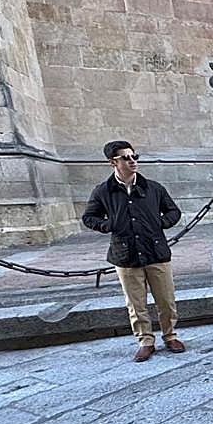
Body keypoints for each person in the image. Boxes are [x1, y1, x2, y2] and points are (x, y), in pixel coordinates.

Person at [82, 141, 185, 362]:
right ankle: (145, 341)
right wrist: (109, 226)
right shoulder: (103, 191)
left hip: (155, 252)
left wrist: (161, 223)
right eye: (126, 158)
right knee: (136, 303)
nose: (132, 161)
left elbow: (173, 210)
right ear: (113, 162)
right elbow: (89, 217)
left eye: (134, 156)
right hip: (125, 255)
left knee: (166, 300)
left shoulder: (153, 188)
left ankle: (170, 336)